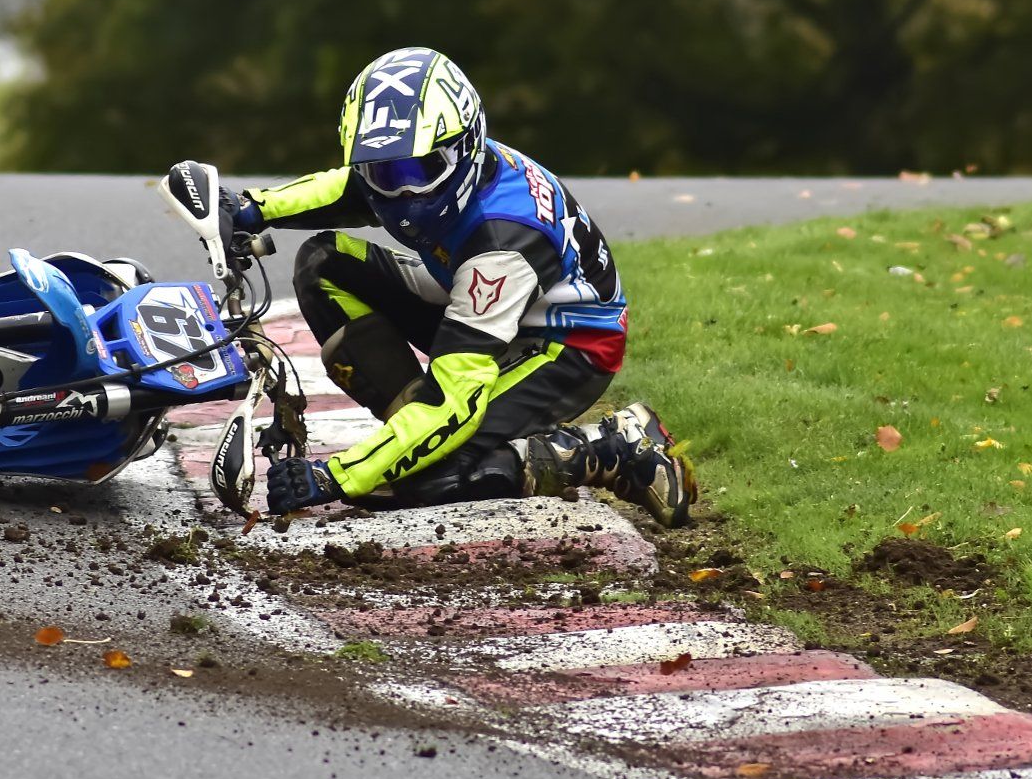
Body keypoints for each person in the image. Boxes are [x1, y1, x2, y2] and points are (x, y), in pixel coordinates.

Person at [223, 46, 695, 525]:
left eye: (420, 171)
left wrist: (337, 476)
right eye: (385, 172)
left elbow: (454, 400)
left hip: (566, 347)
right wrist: (249, 209)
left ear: (466, 145)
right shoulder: (450, 167)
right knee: (323, 263)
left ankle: (614, 450)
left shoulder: (503, 243)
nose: (404, 193)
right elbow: (348, 186)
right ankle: (419, 434)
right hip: (482, 302)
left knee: (407, 481)